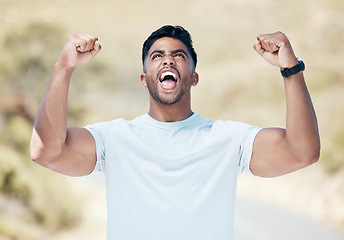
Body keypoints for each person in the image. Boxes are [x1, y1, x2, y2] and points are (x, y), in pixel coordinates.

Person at [30, 25, 320, 240]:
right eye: (157, 56)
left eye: (178, 55)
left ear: (194, 77)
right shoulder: (113, 138)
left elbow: (302, 151)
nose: (168, 60)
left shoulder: (228, 139)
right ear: (145, 79)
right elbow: (46, 151)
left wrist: (291, 69)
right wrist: (64, 67)